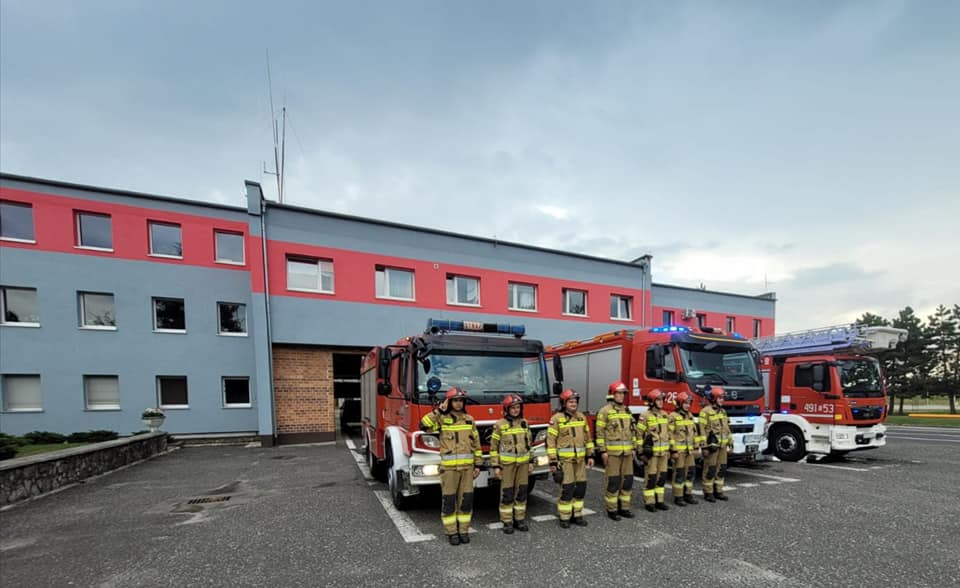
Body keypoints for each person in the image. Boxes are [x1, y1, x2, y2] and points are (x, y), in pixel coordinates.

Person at [419, 387, 483, 545]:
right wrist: (439, 410)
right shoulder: (442, 419)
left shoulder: (469, 420)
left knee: (466, 501)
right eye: (455, 401)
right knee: (449, 501)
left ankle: (464, 530)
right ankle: (452, 532)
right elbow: (423, 425)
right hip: (449, 470)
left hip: (467, 469)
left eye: (461, 400)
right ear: (449, 402)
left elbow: (476, 444)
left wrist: (478, 465)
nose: (458, 403)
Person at [546, 389, 595, 528]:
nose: (574, 404)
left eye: (575, 402)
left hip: (580, 461)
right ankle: (564, 517)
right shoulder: (556, 419)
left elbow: (588, 438)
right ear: (564, 403)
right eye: (570, 402)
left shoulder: (581, 417)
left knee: (580, 488)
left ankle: (577, 515)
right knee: (567, 489)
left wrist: (590, 454)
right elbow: (550, 442)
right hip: (565, 462)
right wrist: (553, 461)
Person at [489, 394, 533, 534]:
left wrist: (531, 461)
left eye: (518, 407)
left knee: (521, 492)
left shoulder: (524, 423)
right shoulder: (500, 425)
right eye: (513, 408)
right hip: (507, 466)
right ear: (507, 409)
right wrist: (496, 466)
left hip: (523, 464)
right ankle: (507, 521)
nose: (515, 410)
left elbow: (529, 444)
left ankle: (519, 519)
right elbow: (494, 448)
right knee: (507, 493)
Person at [594, 381, 637, 520]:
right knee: (613, 481)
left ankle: (624, 508)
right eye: (619, 393)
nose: (621, 396)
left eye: (623, 393)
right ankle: (612, 509)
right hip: (612, 454)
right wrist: (603, 451)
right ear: (612, 394)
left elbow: (633, 431)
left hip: (627, 453)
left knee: (627, 481)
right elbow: (599, 433)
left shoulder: (627, 411)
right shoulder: (605, 411)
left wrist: (634, 447)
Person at [637, 389, 671, 512]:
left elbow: (668, 434)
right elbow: (639, 435)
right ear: (652, 401)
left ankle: (659, 501)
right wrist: (641, 453)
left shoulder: (665, 415)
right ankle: (649, 502)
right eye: (658, 400)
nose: (661, 402)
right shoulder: (645, 416)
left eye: (662, 400)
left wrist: (670, 450)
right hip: (651, 454)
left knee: (662, 478)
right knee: (651, 478)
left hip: (663, 453)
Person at [699, 385, 733, 502]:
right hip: (711, 447)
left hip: (722, 446)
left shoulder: (723, 412)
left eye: (723, 398)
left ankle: (718, 491)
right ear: (713, 398)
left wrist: (730, 442)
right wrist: (704, 447)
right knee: (710, 469)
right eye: (720, 398)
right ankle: (708, 492)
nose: (722, 400)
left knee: (721, 469)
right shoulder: (705, 412)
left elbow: (727, 429)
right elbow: (702, 431)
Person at [668, 391, 699, 506]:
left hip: (689, 451)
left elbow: (694, 433)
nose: (688, 405)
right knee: (679, 473)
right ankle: (678, 496)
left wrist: (696, 446)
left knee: (690, 472)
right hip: (679, 452)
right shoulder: (673, 416)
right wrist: (673, 450)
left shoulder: (690, 416)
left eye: (689, 403)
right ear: (680, 403)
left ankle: (688, 494)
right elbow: (669, 434)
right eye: (685, 403)